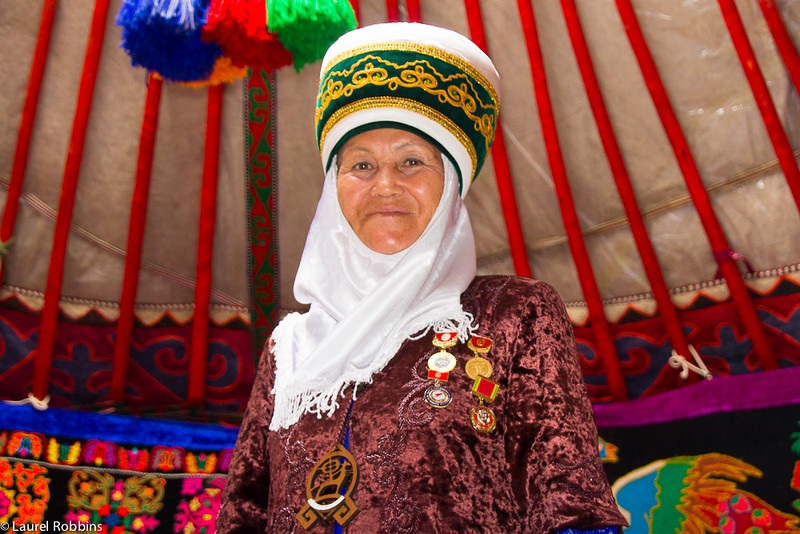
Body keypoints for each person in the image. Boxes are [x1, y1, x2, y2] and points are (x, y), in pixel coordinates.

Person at [217, 22, 627, 534]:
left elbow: (570, 502)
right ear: (333, 189)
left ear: (451, 184)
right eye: (361, 165)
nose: (385, 185)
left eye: (412, 161)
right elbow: (242, 515)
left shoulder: (513, 313)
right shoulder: (290, 348)